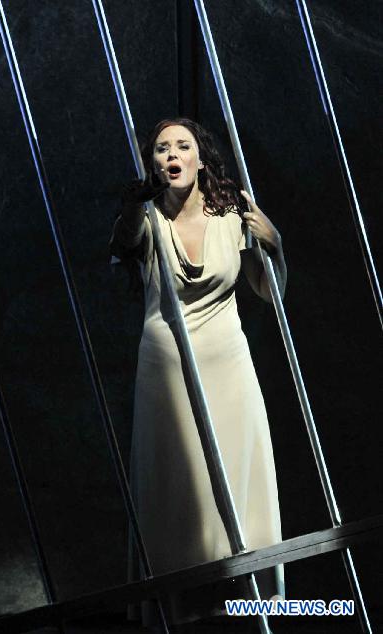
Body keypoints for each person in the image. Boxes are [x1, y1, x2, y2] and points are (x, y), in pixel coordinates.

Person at [109, 118, 286, 628]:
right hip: (166, 372)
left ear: (200, 158)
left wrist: (273, 240)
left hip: (228, 368)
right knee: (175, 492)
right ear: (154, 165)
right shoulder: (145, 217)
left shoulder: (234, 215)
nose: (172, 154)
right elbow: (125, 242)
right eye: (162, 148)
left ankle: (252, 609)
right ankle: (177, 615)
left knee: (238, 487)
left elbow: (267, 291)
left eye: (182, 146)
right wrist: (129, 205)